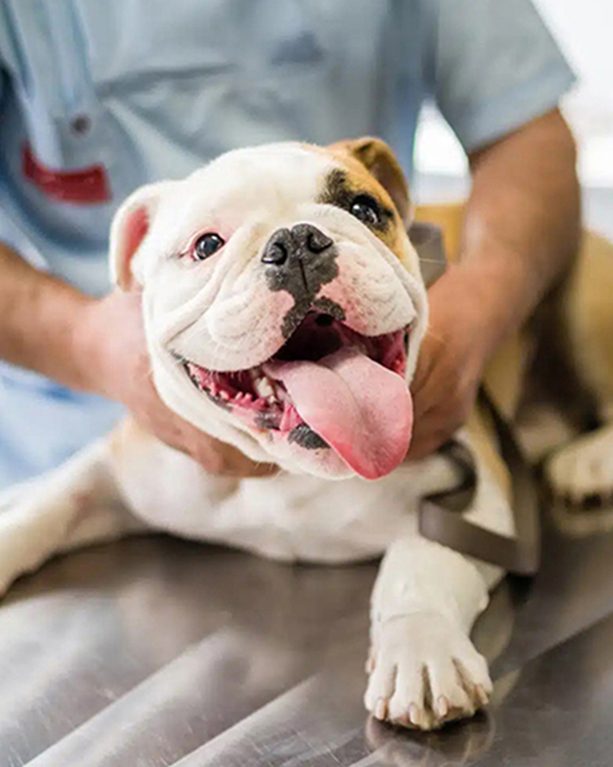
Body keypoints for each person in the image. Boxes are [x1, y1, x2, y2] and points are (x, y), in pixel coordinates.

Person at [0, 0, 580, 489]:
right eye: (208, 245)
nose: (294, 256)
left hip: (394, 393)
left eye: (355, 207)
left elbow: (525, 133)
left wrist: (479, 305)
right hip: (58, 433)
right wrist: (85, 342)